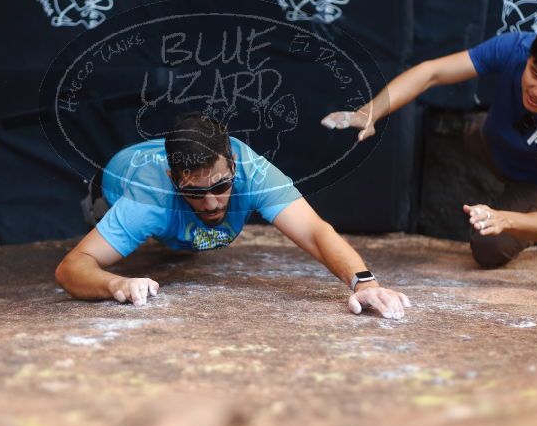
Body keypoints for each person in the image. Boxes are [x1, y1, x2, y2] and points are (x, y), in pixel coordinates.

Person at [56, 112, 410, 319]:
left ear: (235, 167)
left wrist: (365, 283)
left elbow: (315, 230)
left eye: (221, 186)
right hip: (109, 189)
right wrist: (115, 283)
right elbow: (71, 267)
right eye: (195, 192)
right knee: (118, 244)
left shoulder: (253, 170)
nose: (211, 203)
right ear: (172, 180)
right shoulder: (150, 199)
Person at [321, 19, 537, 268]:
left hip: (536, 182)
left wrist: (505, 219)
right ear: (530, 56)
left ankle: (521, 211)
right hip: (491, 141)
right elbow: (431, 72)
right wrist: (369, 112)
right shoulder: (517, 47)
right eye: (535, 73)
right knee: (470, 132)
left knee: (489, 248)